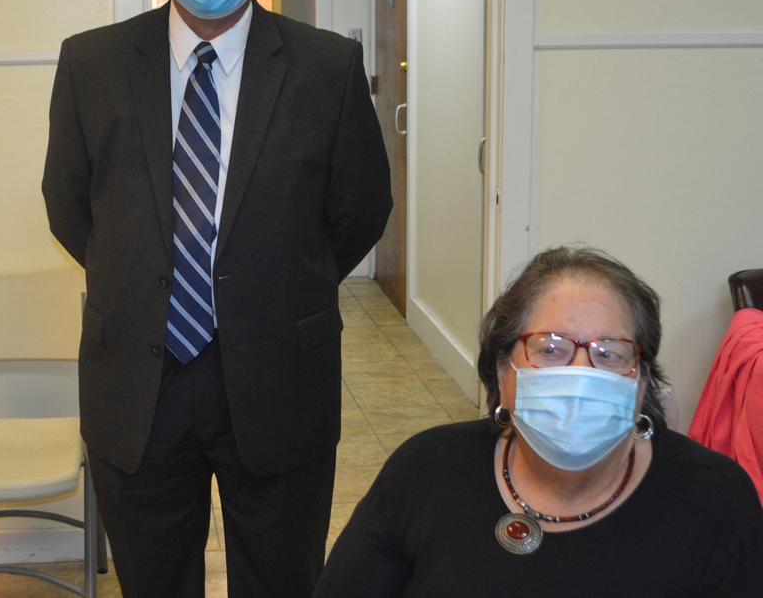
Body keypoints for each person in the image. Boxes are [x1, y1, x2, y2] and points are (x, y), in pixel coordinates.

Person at [42, 0, 391, 597]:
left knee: (282, 578)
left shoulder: (326, 66)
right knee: (152, 581)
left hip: (279, 370)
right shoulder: (92, 63)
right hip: (137, 377)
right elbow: (70, 206)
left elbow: (360, 208)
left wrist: (272, 281)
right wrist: (152, 280)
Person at [314, 247, 763, 597]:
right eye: (550, 349)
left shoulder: (717, 501)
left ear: (642, 382)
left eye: (609, 354)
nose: (581, 374)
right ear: (502, 372)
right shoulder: (424, 470)